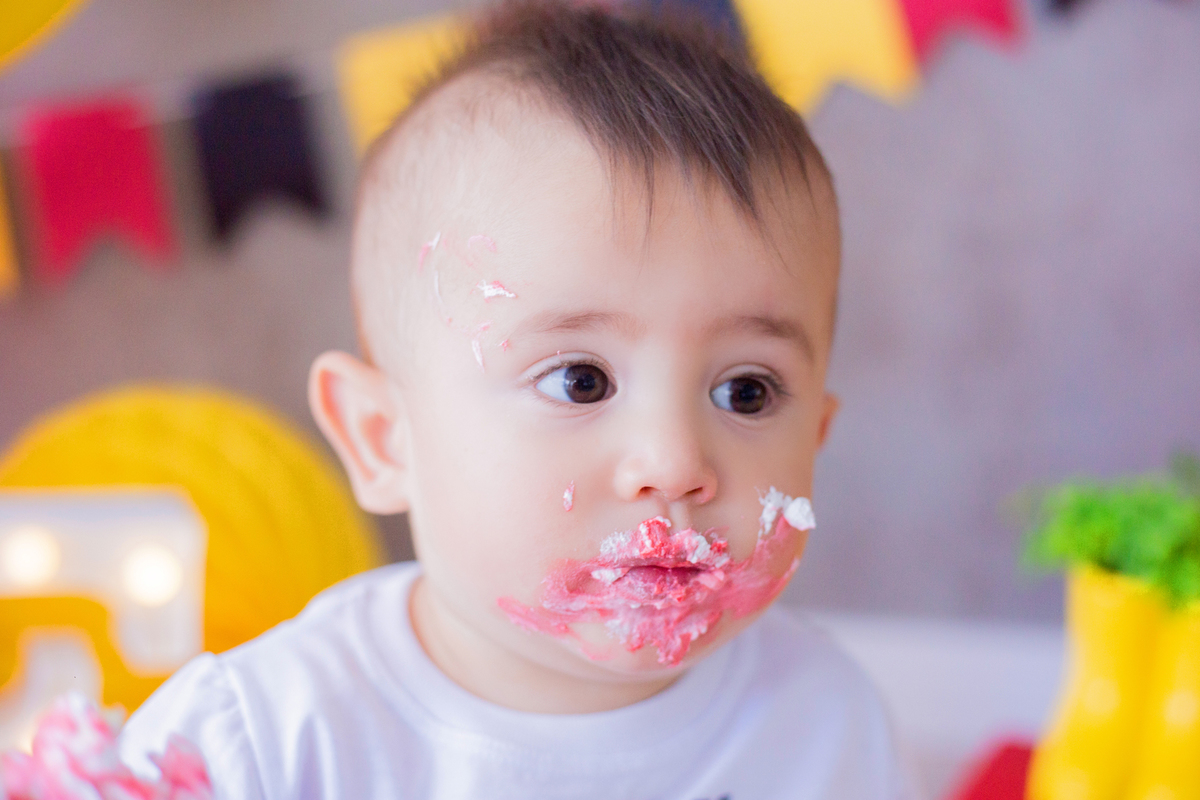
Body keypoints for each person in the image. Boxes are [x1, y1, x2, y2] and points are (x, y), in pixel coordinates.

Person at [120, 2, 916, 797]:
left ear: (816, 436)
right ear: (383, 438)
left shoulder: (823, 725)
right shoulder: (253, 744)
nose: (675, 463)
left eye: (746, 391)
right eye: (582, 380)